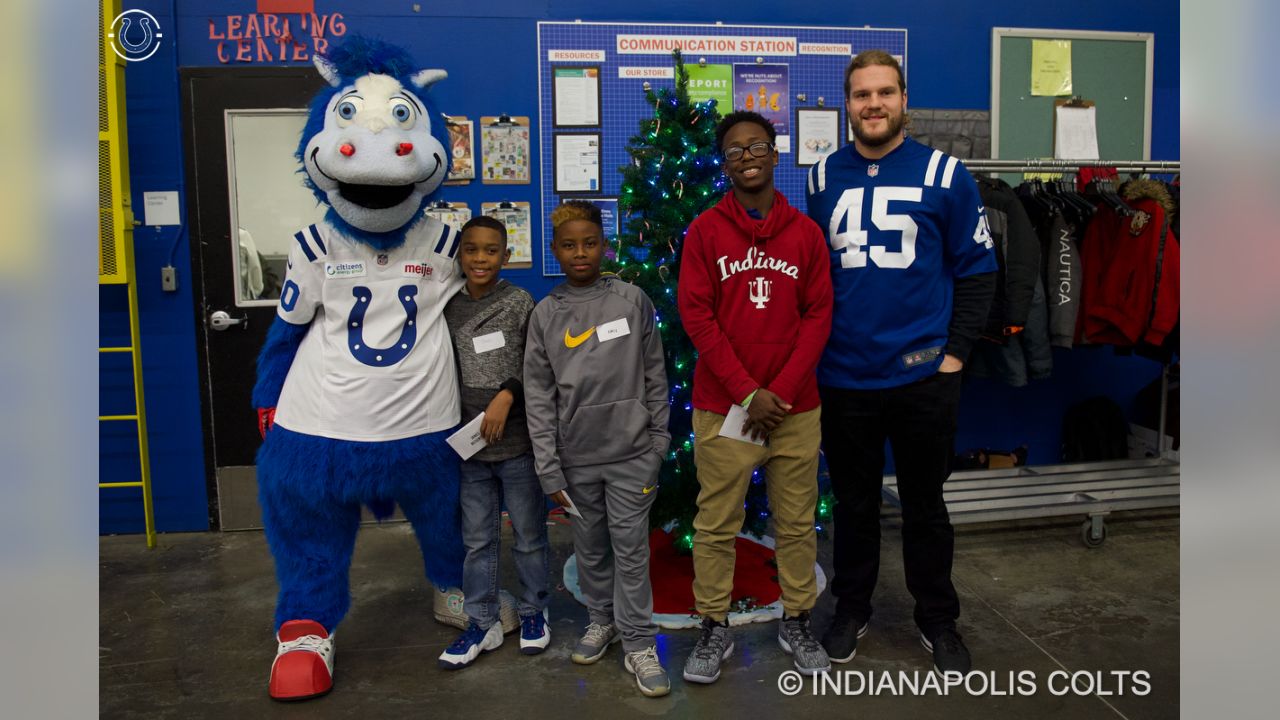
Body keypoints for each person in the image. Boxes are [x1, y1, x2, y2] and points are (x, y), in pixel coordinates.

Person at [804, 50, 997, 676]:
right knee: (853, 506)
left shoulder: (947, 173)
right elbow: (813, 279)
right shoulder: (820, 176)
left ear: (904, 99)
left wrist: (956, 356)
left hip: (922, 376)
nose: (874, 104)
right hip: (844, 378)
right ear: (847, 104)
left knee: (925, 506)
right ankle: (851, 608)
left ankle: (937, 618)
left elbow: (978, 271)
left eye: (885, 92)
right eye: (862, 95)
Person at [677, 111, 834, 684]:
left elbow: (819, 314)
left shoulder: (806, 234)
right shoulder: (705, 232)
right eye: (735, 149)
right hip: (725, 408)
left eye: (757, 146)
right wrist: (748, 392)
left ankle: (796, 620)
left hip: (796, 409)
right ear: (725, 162)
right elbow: (696, 315)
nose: (747, 156)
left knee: (796, 523)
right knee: (717, 523)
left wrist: (782, 391)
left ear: (774, 154)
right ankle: (713, 625)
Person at [523, 201, 672, 697]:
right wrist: (549, 469)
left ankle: (639, 642)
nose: (581, 253)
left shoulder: (632, 300)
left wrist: (658, 443)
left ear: (603, 245)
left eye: (590, 243)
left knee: (631, 552)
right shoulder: (546, 314)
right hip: (575, 460)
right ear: (555, 251)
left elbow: (655, 375)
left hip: (633, 456)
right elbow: (539, 397)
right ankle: (600, 621)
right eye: (570, 245)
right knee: (590, 551)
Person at [438, 216, 550, 669]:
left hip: (518, 445)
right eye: (471, 250)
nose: (480, 259)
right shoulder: (447, 306)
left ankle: (534, 613)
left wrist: (507, 394)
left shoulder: (520, 302)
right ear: (460, 255)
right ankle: (481, 622)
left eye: (490, 251)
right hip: (468, 451)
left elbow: (540, 363)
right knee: (477, 540)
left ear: (506, 257)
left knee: (528, 536)